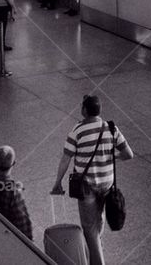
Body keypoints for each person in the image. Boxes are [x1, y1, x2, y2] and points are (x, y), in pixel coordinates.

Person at [51, 94, 134, 265]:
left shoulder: (77, 131)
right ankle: (95, 249)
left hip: (86, 185)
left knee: (89, 229)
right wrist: (111, 157)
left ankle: (97, 260)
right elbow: (128, 154)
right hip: (107, 184)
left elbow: (65, 159)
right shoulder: (111, 128)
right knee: (98, 220)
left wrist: (58, 182)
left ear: (84, 110)